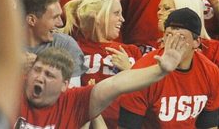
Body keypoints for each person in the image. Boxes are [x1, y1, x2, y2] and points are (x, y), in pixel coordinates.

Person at [16, 38, 190, 127]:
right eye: (37, 70)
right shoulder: (12, 89)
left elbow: (118, 84)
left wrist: (160, 70)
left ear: (64, 85)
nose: (39, 77)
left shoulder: (75, 102)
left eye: (49, 75)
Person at [118, 7, 219, 128]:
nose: (173, 42)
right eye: (169, 35)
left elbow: (209, 125)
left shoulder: (210, 72)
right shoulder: (142, 71)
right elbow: (127, 126)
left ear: (197, 42)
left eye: (181, 37)